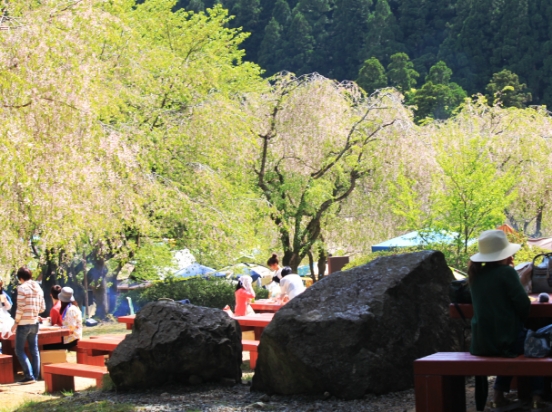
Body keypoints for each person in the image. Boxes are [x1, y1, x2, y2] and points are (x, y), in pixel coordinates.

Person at [469, 230, 545, 409]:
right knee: (537, 346)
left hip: (480, 342)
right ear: (505, 254)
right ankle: (537, 397)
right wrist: (523, 280)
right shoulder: (506, 273)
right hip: (504, 341)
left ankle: (498, 395)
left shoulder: (476, 275)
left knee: (517, 343)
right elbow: (523, 307)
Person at [11, 267, 45, 384]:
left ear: (20, 278)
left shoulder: (22, 288)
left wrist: (15, 323)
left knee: (19, 350)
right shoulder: (39, 288)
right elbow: (42, 308)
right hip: (35, 322)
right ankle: (35, 375)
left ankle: (29, 376)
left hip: (24, 323)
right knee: (34, 350)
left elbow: (20, 307)